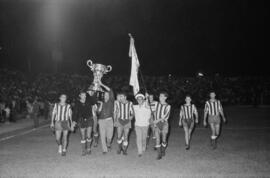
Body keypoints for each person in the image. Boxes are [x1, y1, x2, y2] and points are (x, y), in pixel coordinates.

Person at [73, 91, 97, 156]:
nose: (84, 96)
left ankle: (88, 148)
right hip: (81, 120)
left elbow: (94, 101)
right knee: (83, 136)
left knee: (89, 136)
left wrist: (91, 94)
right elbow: (75, 112)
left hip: (89, 119)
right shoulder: (77, 103)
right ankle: (83, 150)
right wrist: (74, 121)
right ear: (80, 95)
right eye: (83, 95)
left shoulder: (89, 101)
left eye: (85, 95)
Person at [153, 92, 171, 160]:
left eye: (161, 96)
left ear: (165, 97)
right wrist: (147, 99)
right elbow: (147, 106)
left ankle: (163, 150)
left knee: (164, 140)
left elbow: (166, 116)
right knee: (157, 139)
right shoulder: (156, 103)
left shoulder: (168, 106)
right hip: (157, 124)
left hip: (164, 124)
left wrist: (157, 120)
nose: (160, 97)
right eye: (159, 96)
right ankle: (159, 154)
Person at [97, 86, 114, 154]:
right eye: (105, 94)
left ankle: (108, 143)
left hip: (109, 121)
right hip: (101, 121)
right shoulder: (100, 102)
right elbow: (98, 112)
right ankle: (104, 149)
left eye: (107, 94)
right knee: (102, 135)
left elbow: (110, 90)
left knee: (109, 136)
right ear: (103, 95)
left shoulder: (111, 101)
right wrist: (101, 104)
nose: (106, 96)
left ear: (109, 95)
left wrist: (101, 84)